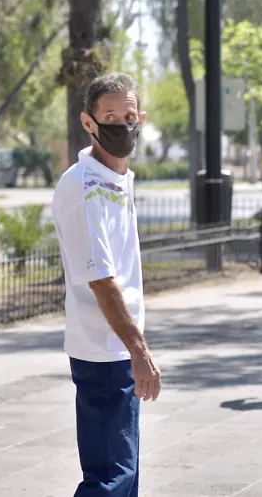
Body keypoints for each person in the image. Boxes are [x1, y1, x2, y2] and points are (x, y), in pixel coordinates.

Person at [52, 73, 160, 497]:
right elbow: (101, 279)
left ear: (141, 119)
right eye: (110, 116)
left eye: (129, 116)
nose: (121, 124)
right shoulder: (85, 186)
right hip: (104, 350)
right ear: (88, 122)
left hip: (115, 348)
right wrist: (139, 350)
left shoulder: (115, 180)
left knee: (125, 474)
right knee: (111, 479)